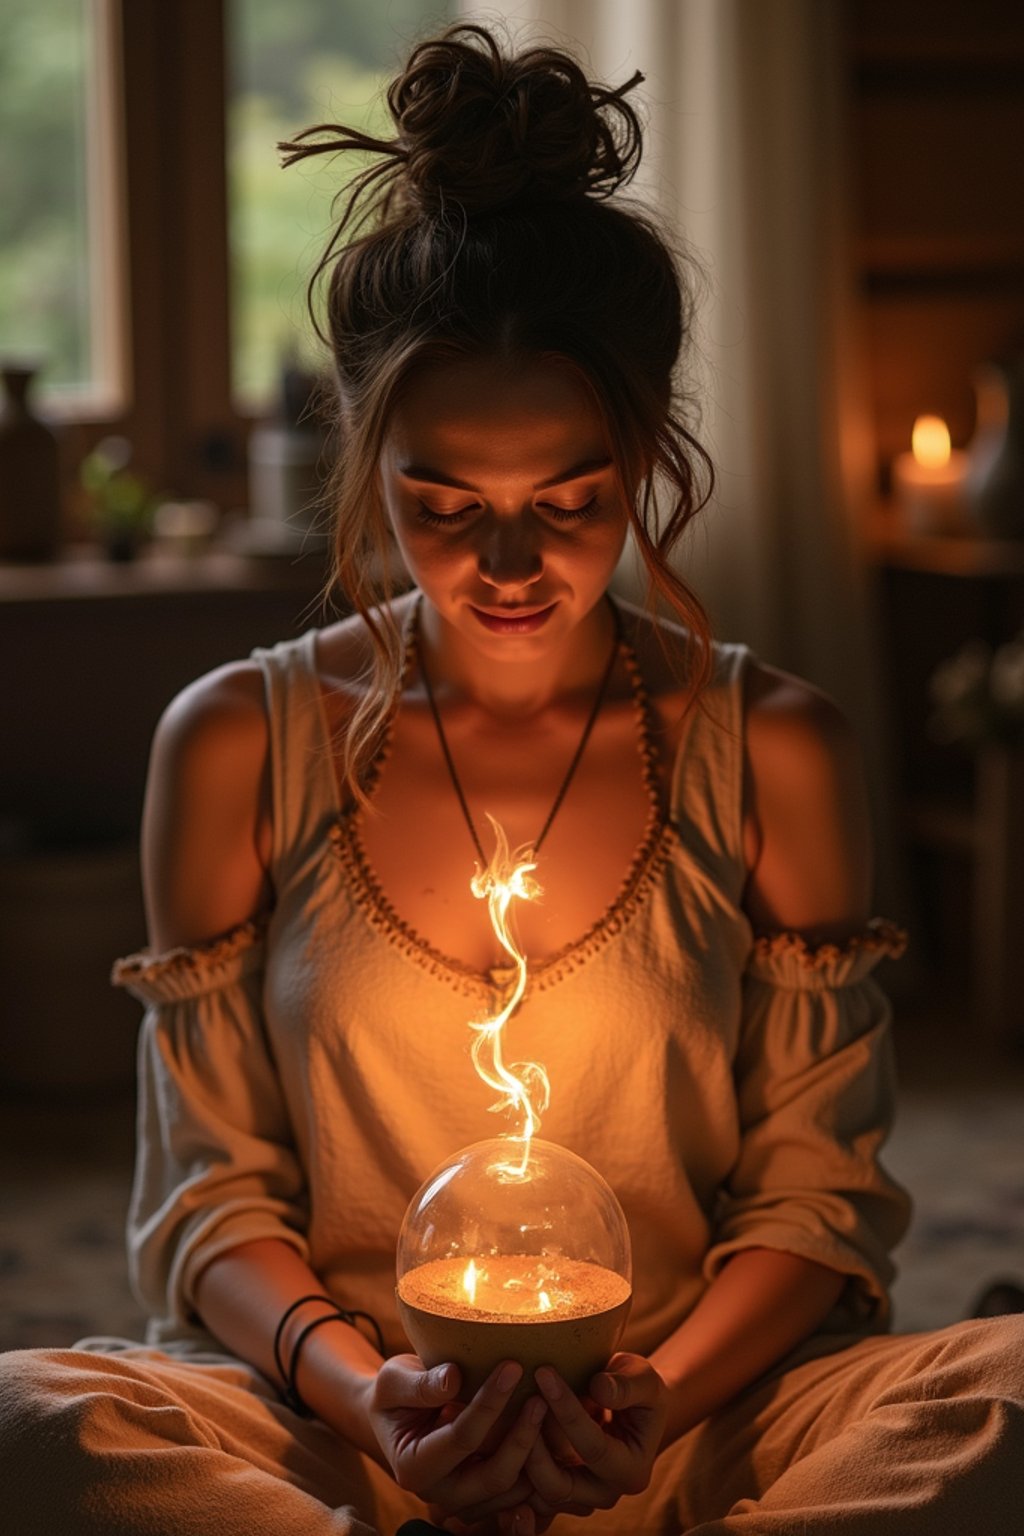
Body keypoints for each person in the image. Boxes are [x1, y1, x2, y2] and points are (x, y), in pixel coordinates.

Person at [1, 22, 1021, 1536]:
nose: (511, 564)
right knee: (28, 1415)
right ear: (363, 465)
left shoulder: (773, 749)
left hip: (692, 1423)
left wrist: (657, 1396)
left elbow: (821, 1202)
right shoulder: (237, 743)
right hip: (343, 1430)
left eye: (573, 500)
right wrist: (369, 1397)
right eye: (443, 502)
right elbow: (204, 1197)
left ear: (650, 464)